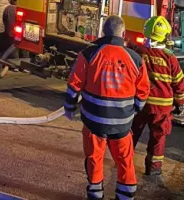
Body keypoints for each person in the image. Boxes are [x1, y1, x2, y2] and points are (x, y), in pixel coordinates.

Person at [64, 16, 150, 200]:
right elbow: (143, 92)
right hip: (122, 125)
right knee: (125, 161)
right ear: (124, 34)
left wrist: (69, 108)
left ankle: (96, 194)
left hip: (94, 123)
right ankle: (126, 195)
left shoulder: (88, 54)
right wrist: (132, 111)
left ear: (103, 32)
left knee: (95, 159)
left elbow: (74, 85)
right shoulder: (135, 59)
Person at [131, 16, 184, 176]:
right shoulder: (170, 58)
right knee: (158, 138)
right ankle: (153, 168)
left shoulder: (138, 52)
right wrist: (180, 102)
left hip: (140, 103)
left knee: (132, 133)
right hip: (162, 107)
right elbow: (179, 83)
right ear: (165, 36)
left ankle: (124, 160)